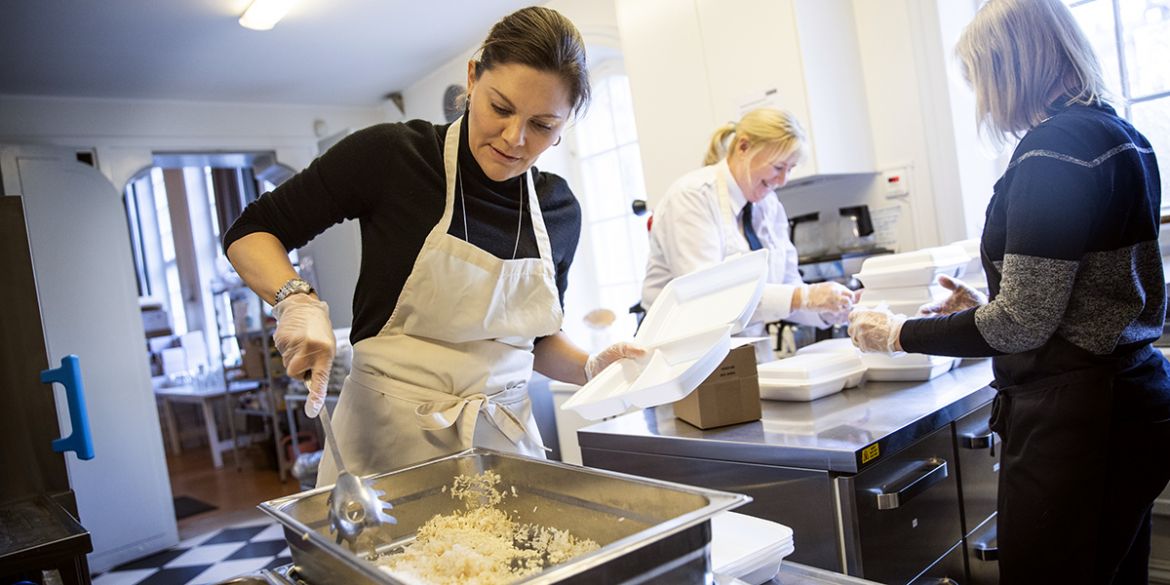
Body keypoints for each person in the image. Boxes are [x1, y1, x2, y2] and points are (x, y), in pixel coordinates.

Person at [223, 6, 643, 486]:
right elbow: (253, 229)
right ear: (472, 79)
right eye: (500, 108)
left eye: (543, 125)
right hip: (384, 451)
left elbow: (538, 339)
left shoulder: (558, 210)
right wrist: (293, 298)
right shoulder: (393, 157)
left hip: (502, 448)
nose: (514, 138)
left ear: (565, 123)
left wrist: (588, 366)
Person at [848, 1, 1170, 582]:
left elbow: (1022, 323)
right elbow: (1085, 290)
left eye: (979, 79)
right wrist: (984, 307)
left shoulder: (1053, 152)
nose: (982, 98)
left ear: (1010, 68)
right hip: (1131, 402)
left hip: (1079, 422)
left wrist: (895, 333)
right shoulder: (1123, 136)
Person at [641, 108, 857, 362]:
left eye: (791, 169)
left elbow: (789, 285)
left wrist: (830, 307)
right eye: (778, 167)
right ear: (743, 147)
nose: (783, 180)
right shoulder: (692, 197)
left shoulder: (770, 205)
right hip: (688, 359)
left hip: (749, 356)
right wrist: (804, 297)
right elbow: (707, 296)